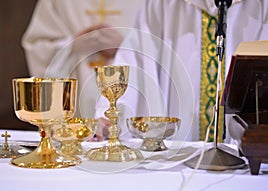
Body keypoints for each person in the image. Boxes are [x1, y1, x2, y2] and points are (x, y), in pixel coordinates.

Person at [95, 0, 268, 141]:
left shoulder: (261, 6)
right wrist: (109, 115)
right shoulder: (162, 4)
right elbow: (136, 62)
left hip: (245, 149)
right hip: (178, 153)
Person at [21, 0, 145, 140]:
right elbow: (36, 45)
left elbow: (164, 48)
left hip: (131, 96)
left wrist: (125, 47)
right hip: (76, 90)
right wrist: (71, 45)